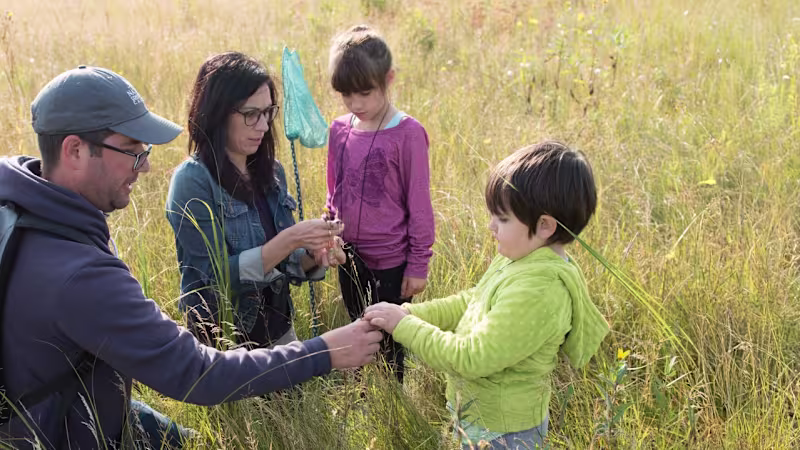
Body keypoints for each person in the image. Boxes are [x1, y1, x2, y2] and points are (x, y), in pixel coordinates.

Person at [0, 65, 382, 450]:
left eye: (268, 113)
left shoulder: (27, 211)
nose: (146, 165)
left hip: (89, 415)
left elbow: (76, 375)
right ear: (75, 150)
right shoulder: (80, 274)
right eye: (132, 150)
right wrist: (326, 351)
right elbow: (199, 373)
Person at [364, 141, 610, 449]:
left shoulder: (539, 291)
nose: (491, 226)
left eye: (503, 218)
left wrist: (404, 326)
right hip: (481, 420)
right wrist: (411, 312)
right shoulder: (520, 257)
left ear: (545, 226)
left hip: (504, 433)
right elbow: (473, 300)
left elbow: (471, 358)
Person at [166, 52, 345, 349]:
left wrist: (314, 255)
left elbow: (285, 265)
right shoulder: (193, 181)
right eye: (251, 114)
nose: (263, 126)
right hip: (223, 346)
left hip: (279, 332)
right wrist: (291, 238)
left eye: (268, 112)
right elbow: (214, 281)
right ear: (218, 113)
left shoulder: (271, 172)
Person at [325, 25, 435, 383]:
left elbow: (419, 204)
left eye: (365, 93)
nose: (355, 104)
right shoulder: (339, 130)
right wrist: (329, 233)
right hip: (348, 255)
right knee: (356, 328)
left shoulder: (408, 134)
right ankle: (359, 395)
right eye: (346, 95)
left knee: (390, 338)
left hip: (392, 260)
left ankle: (392, 397)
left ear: (388, 79)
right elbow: (334, 191)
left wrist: (418, 264)